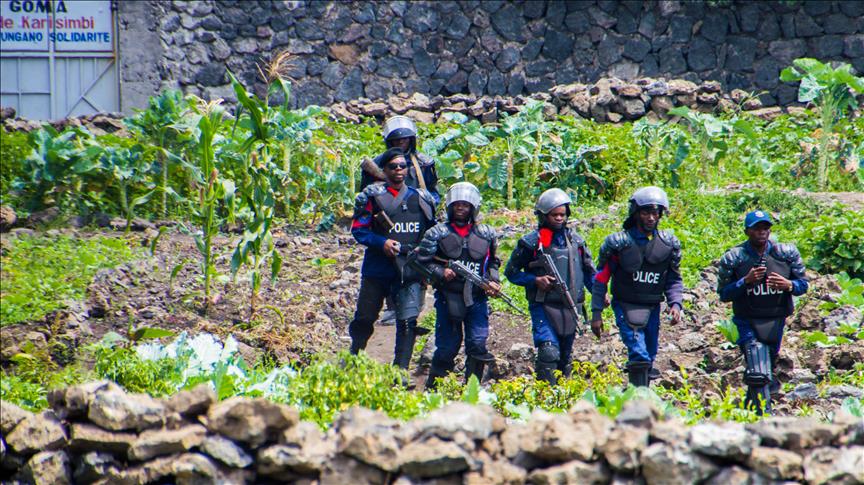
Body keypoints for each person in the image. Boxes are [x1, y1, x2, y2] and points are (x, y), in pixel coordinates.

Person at [348, 147, 437, 370]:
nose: (398, 170)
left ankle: (401, 371)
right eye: (393, 167)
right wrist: (382, 243)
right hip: (377, 270)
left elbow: (432, 234)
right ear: (384, 171)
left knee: (407, 322)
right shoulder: (372, 197)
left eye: (402, 166)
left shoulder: (422, 199)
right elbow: (359, 230)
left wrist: (428, 264)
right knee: (364, 319)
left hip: (410, 270)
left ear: (408, 170)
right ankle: (353, 358)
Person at [717, 210, 808, 415]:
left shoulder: (785, 254)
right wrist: (745, 281)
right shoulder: (735, 258)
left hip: (776, 320)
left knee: (765, 368)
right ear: (747, 231)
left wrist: (788, 285)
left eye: (765, 228)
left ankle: (750, 409)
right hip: (747, 320)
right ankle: (763, 416)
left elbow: (803, 285)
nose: (762, 232)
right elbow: (724, 294)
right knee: (758, 369)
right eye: (757, 228)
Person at [590, 186, 683, 388]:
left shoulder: (668, 244)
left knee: (649, 356)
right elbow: (600, 278)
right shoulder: (618, 244)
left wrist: (676, 304)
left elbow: (674, 279)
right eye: (646, 212)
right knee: (639, 355)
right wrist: (596, 313)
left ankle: (642, 398)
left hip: (652, 306)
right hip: (625, 305)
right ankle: (638, 399)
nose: (651, 218)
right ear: (636, 213)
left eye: (655, 213)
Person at [505, 188, 596, 385]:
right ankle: (545, 396)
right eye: (554, 215)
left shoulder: (577, 241)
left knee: (564, 356)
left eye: (562, 214)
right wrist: (534, 280)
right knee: (548, 352)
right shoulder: (531, 243)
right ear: (544, 216)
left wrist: (599, 294)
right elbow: (511, 273)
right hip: (543, 305)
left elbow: (590, 273)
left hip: (572, 306)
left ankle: (562, 400)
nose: (559, 218)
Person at [416, 182, 501, 389]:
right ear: (449, 206)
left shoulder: (486, 234)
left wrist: (493, 281)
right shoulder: (437, 233)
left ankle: (471, 390)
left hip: (477, 299)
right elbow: (420, 261)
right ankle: (433, 389)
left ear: (473, 207)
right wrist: (440, 272)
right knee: (446, 348)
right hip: (448, 298)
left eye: (465, 204)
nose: (461, 208)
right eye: (457, 205)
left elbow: (493, 262)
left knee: (477, 345)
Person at [361, 115, 440, 325]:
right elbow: (364, 195)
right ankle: (392, 306)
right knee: (389, 259)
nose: (400, 144)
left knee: (420, 258)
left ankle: (413, 305)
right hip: (387, 218)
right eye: (396, 141)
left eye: (404, 140)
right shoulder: (376, 165)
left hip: (417, 215)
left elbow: (434, 191)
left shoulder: (424, 163)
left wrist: (428, 203)